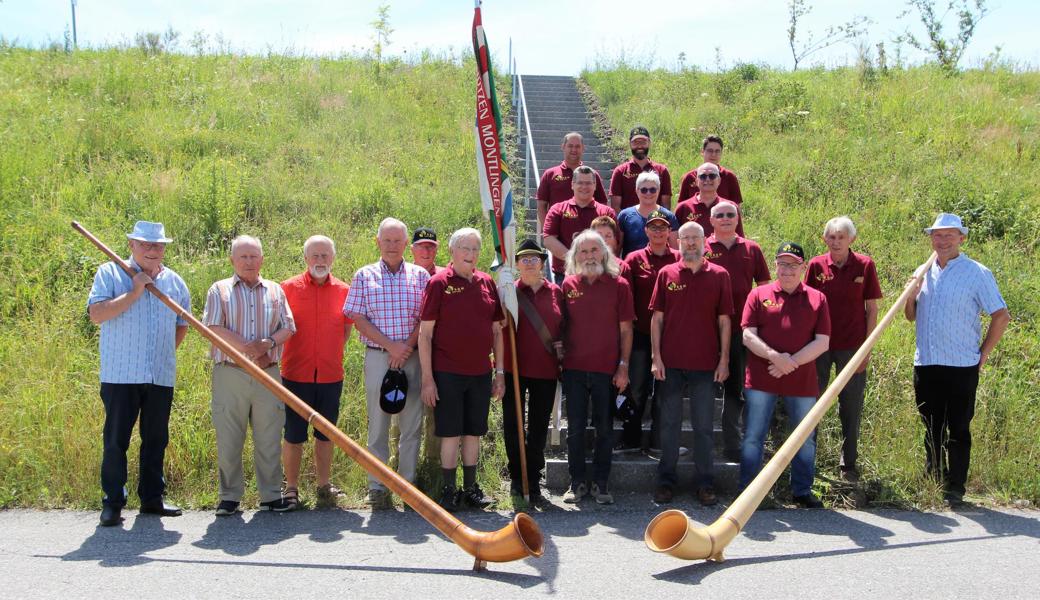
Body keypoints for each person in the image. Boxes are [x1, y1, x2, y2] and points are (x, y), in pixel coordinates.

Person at [88, 221, 192, 527]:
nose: (152, 250)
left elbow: (182, 324)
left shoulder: (174, 282)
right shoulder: (110, 273)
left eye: (157, 245)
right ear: (132, 245)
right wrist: (135, 291)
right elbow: (96, 315)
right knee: (116, 440)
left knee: (156, 439)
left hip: (159, 374)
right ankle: (112, 503)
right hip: (121, 373)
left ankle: (151, 499)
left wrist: (164, 354)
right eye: (145, 244)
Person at [905, 213, 1010, 506]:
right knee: (931, 425)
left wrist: (984, 353)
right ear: (931, 239)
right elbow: (910, 316)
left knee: (959, 427)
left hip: (962, 364)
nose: (943, 241)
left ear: (961, 238)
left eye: (950, 235)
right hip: (926, 362)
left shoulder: (977, 272)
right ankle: (934, 479)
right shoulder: (922, 271)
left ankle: (956, 487)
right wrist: (910, 295)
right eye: (938, 235)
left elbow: (1001, 315)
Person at [204, 235, 297, 516]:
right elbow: (212, 328)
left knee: (269, 436)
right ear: (232, 260)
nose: (248, 262)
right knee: (229, 436)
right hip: (230, 373)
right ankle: (229, 497)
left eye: (254, 256)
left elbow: (289, 327)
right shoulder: (219, 290)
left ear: (262, 260)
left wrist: (267, 344)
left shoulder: (275, 290)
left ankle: (270, 495)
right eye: (243, 257)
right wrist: (247, 348)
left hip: (267, 374)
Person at [344, 218, 430, 510]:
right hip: (379, 357)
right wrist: (391, 345)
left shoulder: (421, 276)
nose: (392, 246)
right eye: (387, 240)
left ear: (406, 244)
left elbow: (426, 320)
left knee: (411, 424)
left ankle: (407, 485)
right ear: (377, 242)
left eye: (398, 241)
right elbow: (357, 318)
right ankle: (377, 487)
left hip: (413, 357)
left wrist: (405, 346)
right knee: (378, 424)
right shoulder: (364, 275)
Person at [419, 228, 506, 511]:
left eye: (475, 249)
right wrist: (428, 380)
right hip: (447, 373)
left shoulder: (486, 283)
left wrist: (500, 373)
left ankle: (471, 489)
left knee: (473, 432)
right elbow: (425, 334)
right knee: (451, 433)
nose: (470, 255)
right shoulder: (439, 283)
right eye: (465, 249)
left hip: (481, 373)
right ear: (452, 252)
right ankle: (448, 490)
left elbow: (497, 331)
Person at [740, 242, 830, 508]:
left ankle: (801, 490)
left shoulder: (817, 298)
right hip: (761, 377)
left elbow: (822, 341)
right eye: (782, 263)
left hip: (801, 380)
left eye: (793, 264)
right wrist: (775, 357)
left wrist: (789, 362)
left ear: (803, 267)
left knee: (803, 437)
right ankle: (749, 492)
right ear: (775, 265)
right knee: (754, 435)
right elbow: (747, 334)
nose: (787, 270)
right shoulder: (759, 294)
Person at [649, 222, 734, 505]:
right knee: (670, 424)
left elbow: (725, 321)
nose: (690, 244)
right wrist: (656, 357)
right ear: (678, 241)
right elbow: (656, 319)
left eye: (695, 238)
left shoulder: (720, 276)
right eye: (685, 239)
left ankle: (705, 483)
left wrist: (724, 359)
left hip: (704, 364)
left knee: (703, 426)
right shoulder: (666, 274)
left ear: (704, 242)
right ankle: (666, 481)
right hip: (670, 362)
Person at [560, 230, 635, 505]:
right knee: (576, 429)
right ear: (575, 256)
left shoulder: (619, 285)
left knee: (605, 428)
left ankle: (602, 484)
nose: (589, 256)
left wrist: (623, 366)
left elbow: (626, 331)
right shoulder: (567, 285)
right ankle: (577, 483)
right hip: (575, 369)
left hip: (607, 370)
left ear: (604, 253)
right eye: (583, 251)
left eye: (594, 250)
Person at [805, 217, 882, 482]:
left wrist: (867, 349)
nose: (836, 242)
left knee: (851, 405)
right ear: (824, 239)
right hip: (819, 346)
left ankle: (847, 464)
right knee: (812, 403)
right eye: (832, 237)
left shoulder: (865, 265)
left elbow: (872, 309)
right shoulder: (815, 266)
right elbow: (806, 306)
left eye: (841, 237)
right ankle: (807, 462)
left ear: (852, 239)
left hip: (853, 347)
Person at [279, 235, 353, 509]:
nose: (320, 261)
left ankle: (324, 487)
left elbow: (345, 331)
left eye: (325, 256)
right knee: (294, 434)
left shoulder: (344, 290)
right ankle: (291, 489)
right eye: (315, 255)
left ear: (332, 259)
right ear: (306, 258)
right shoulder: (287, 288)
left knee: (326, 434)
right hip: (295, 375)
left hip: (331, 376)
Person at [704, 200, 772, 462]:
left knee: (736, 389)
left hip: (743, 330)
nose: (725, 218)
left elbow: (764, 286)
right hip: (708, 330)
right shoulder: (702, 248)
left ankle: (732, 444)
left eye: (730, 214)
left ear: (737, 218)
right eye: (719, 215)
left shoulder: (752, 249)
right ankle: (705, 442)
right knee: (706, 389)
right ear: (711, 221)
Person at [501, 239, 565, 505]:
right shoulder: (507, 292)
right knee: (513, 426)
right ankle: (518, 477)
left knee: (538, 427)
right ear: (516, 264)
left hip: (545, 370)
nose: (529, 263)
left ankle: (533, 476)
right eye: (524, 259)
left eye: (534, 258)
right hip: (514, 369)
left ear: (542, 263)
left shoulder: (556, 292)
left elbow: (565, 328)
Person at [615, 210, 681, 454]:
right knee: (638, 388)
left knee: (665, 391)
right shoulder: (633, 259)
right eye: (653, 227)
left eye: (662, 227)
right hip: (641, 333)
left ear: (669, 231)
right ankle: (631, 439)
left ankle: (658, 442)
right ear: (645, 231)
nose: (658, 231)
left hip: (671, 336)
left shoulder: (679, 258)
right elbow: (626, 296)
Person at [543, 165, 616, 284]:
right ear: (572, 184)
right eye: (580, 183)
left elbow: (613, 242)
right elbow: (548, 239)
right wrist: (575, 259)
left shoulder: (607, 212)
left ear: (595, 185)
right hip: (565, 274)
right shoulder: (557, 209)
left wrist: (591, 260)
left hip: (600, 275)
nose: (584, 187)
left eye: (588, 183)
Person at [536, 132, 609, 228]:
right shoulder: (550, 174)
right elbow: (541, 205)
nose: (574, 150)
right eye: (570, 146)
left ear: (583, 148)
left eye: (577, 146)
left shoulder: (592, 175)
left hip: (588, 233)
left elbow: (602, 203)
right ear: (563, 147)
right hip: (558, 233)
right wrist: (548, 229)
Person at [616, 171, 679, 257]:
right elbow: (617, 250)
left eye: (652, 190)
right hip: (632, 268)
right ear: (637, 190)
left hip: (662, 268)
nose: (648, 193)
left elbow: (675, 251)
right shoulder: (624, 216)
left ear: (659, 190)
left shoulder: (669, 216)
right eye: (644, 190)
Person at [609, 126, 672, 211]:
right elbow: (615, 207)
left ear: (649, 143)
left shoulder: (662, 170)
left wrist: (656, 223)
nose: (639, 146)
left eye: (643, 142)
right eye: (635, 142)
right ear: (630, 144)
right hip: (628, 222)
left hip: (655, 221)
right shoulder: (620, 171)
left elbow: (666, 205)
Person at [674, 162, 744, 238]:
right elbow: (675, 240)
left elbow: (740, 238)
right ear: (697, 181)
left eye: (712, 176)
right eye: (703, 176)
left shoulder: (730, 207)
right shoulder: (683, 208)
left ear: (719, 181)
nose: (707, 179)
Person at [678, 135, 743, 203]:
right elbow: (682, 207)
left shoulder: (729, 177)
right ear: (702, 152)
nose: (713, 154)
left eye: (717, 151)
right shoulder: (689, 177)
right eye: (710, 151)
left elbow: (736, 208)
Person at [591, 215, 631, 280]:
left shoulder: (622, 267)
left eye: (608, 236)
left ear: (614, 240)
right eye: (599, 235)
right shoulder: (582, 264)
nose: (603, 239)